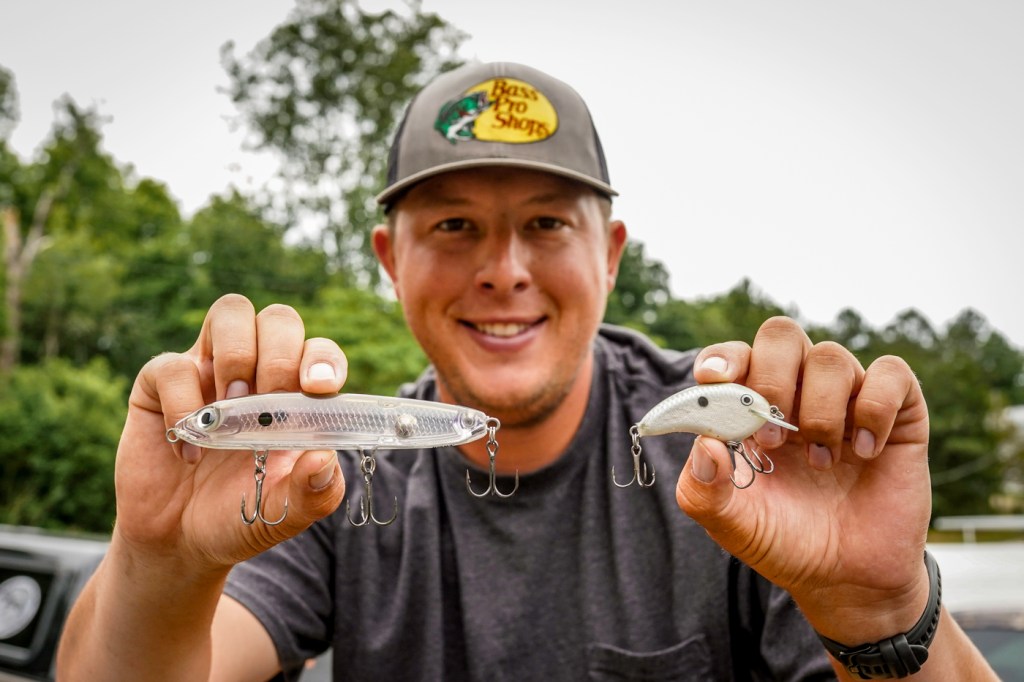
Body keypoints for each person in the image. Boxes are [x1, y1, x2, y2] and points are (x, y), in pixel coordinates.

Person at [57, 62, 996, 681]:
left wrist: (879, 609)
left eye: (546, 222)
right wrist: (158, 563)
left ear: (610, 254)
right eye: (453, 225)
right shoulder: (310, 471)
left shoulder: (754, 458)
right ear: (390, 261)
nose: (504, 269)